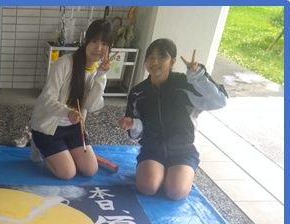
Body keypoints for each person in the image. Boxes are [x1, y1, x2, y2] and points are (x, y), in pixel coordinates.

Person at [119, 39, 227, 201]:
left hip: (183, 150)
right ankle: (158, 171)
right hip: (152, 149)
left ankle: (176, 174)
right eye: (151, 57)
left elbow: (219, 101)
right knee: (147, 188)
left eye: (162, 57)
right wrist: (133, 124)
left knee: (176, 192)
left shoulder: (186, 85)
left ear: (172, 61)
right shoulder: (138, 93)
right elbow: (135, 135)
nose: (155, 62)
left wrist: (198, 75)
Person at [30, 20, 116, 180]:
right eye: (94, 41)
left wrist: (101, 75)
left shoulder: (98, 72)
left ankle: (64, 151)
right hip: (49, 127)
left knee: (90, 170)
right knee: (67, 173)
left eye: (104, 43)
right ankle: (41, 146)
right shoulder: (63, 63)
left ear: (110, 47)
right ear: (86, 40)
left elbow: (92, 106)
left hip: (74, 127)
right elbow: (48, 99)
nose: (98, 48)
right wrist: (67, 112)